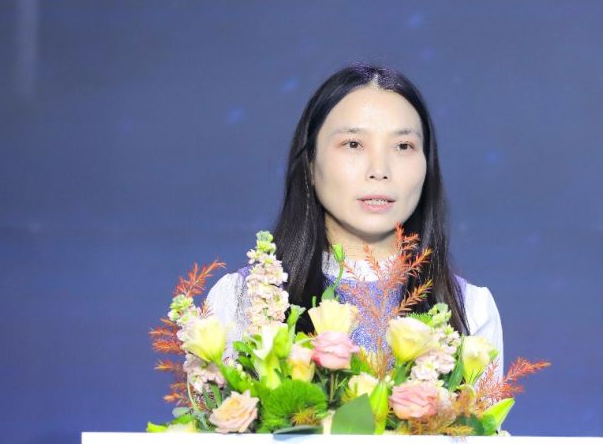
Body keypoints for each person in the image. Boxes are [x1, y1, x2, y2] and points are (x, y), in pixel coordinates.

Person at [206, 63, 503, 378]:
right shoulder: (242, 301)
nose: (379, 170)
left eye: (403, 146)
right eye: (353, 144)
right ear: (310, 163)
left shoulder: (470, 311)